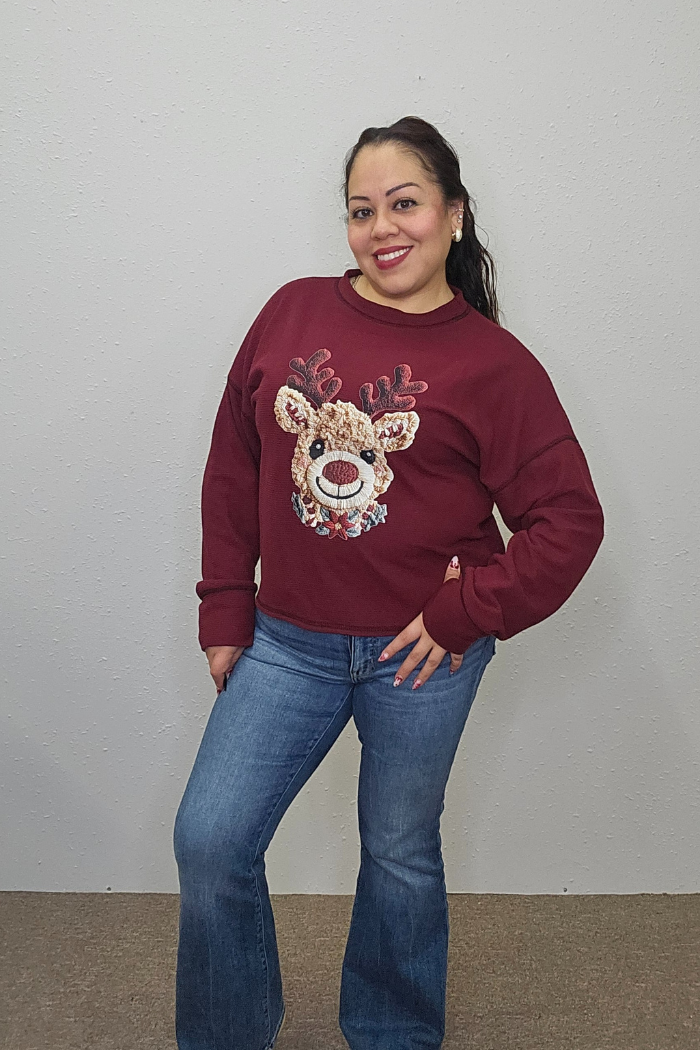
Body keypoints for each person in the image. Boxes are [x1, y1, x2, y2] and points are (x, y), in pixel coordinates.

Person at [173, 115, 604, 1050]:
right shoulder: (292, 311)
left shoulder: (496, 364)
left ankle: (393, 1033)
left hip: (422, 654)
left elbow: (569, 520)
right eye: (361, 210)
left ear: (453, 213)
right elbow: (233, 461)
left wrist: (465, 611)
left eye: (404, 203)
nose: (382, 227)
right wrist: (224, 603)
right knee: (210, 841)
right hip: (287, 643)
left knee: (400, 853)